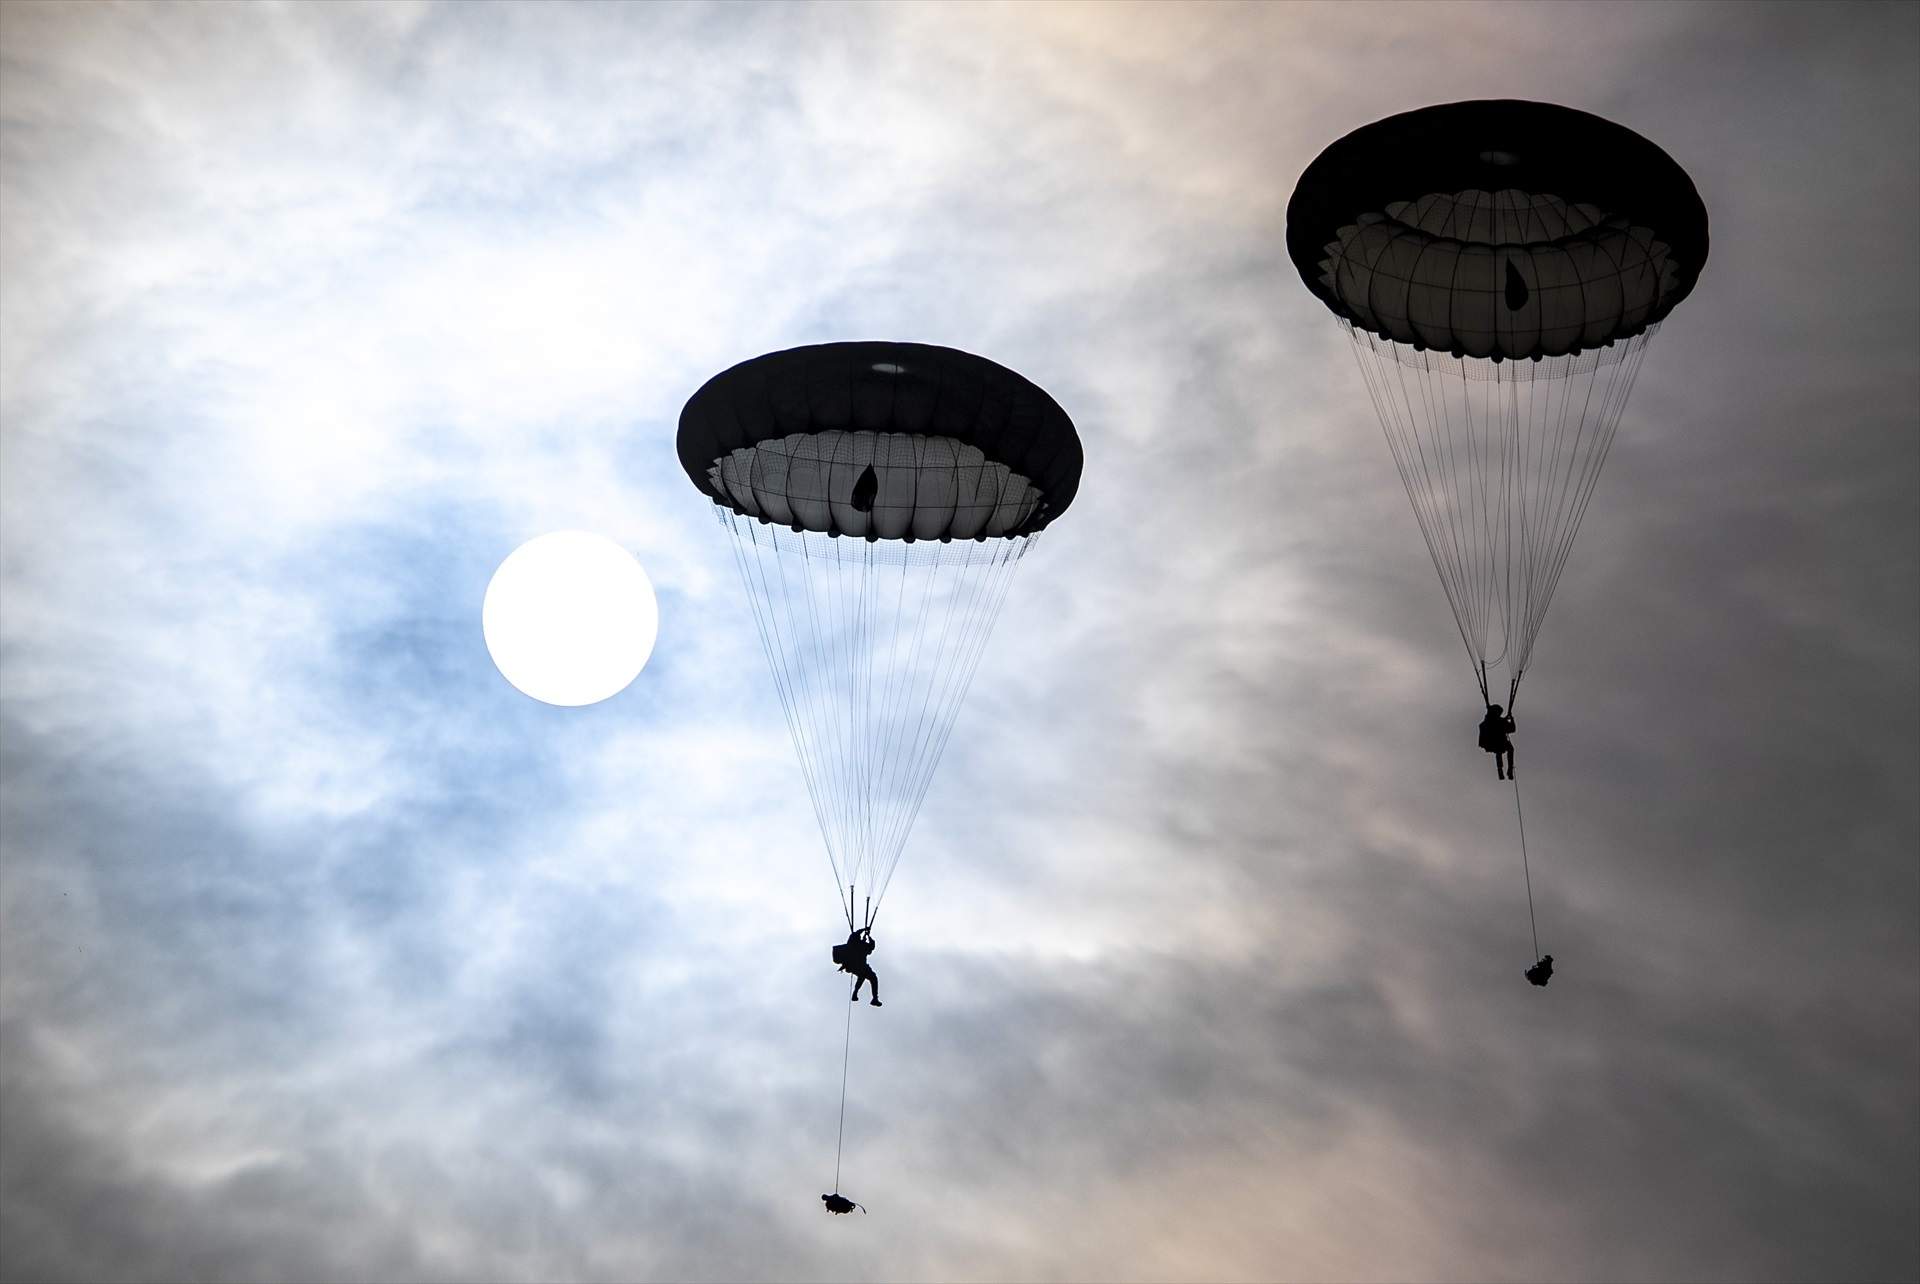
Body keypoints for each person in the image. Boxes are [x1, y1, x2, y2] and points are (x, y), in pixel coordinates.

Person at [832, 926, 882, 1006]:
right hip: (857, 965)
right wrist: (866, 933)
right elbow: (871, 945)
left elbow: (871, 946)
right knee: (872, 978)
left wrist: (867, 935)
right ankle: (874, 998)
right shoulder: (855, 943)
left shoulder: (857, 943)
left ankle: (857, 993)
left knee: (862, 976)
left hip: (855, 967)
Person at [1478, 703, 1517, 780]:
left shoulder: (1500, 721)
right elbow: (1510, 728)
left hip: (1499, 741)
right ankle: (1501, 769)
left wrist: (1511, 719)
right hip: (1494, 741)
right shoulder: (1491, 720)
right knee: (1500, 750)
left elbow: (1512, 729)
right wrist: (1509, 719)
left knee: (1508, 749)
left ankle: (1509, 769)